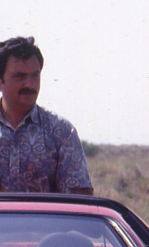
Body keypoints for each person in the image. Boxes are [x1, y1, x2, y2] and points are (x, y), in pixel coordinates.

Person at [0, 37, 92, 194]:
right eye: (19, 76)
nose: (30, 84)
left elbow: (79, 199)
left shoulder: (61, 131)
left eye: (35, 76)